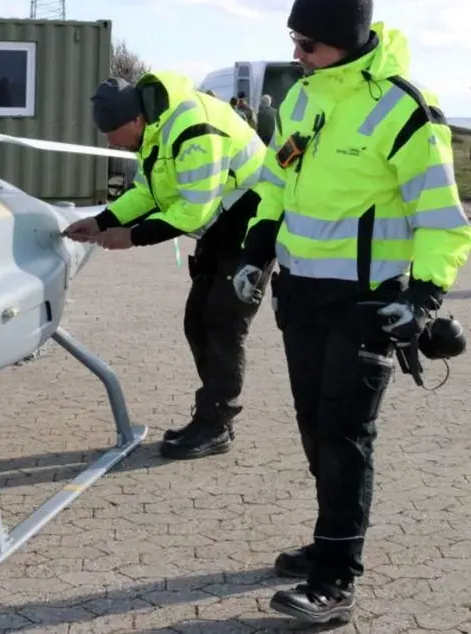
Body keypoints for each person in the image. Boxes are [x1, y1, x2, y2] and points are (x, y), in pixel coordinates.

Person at [232, 0, 471, 624]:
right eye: (293, 39)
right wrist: (257, 249)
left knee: (344, 434)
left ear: (347, 40)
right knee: (315, 425)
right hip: (301, 297)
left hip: (367, 304)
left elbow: (445, 223)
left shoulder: (404, 110)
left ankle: (335, 578)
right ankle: (328, 538)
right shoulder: (303, 100)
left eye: (308, 44)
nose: (296, 55)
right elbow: (275, 183)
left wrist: (420, 297)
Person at [63, 71, 270, 460]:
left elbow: (193, 209)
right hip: (222, 225)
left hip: (253, 226)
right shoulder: (154, 130)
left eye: (112, 133)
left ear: (136, 120)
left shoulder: (194, 129)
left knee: (222, 325)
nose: (110, 142)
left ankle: (216, 425)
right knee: (197, 322)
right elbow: (148, 193)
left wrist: (133, 237)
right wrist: (105, 221)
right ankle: (210, 416)